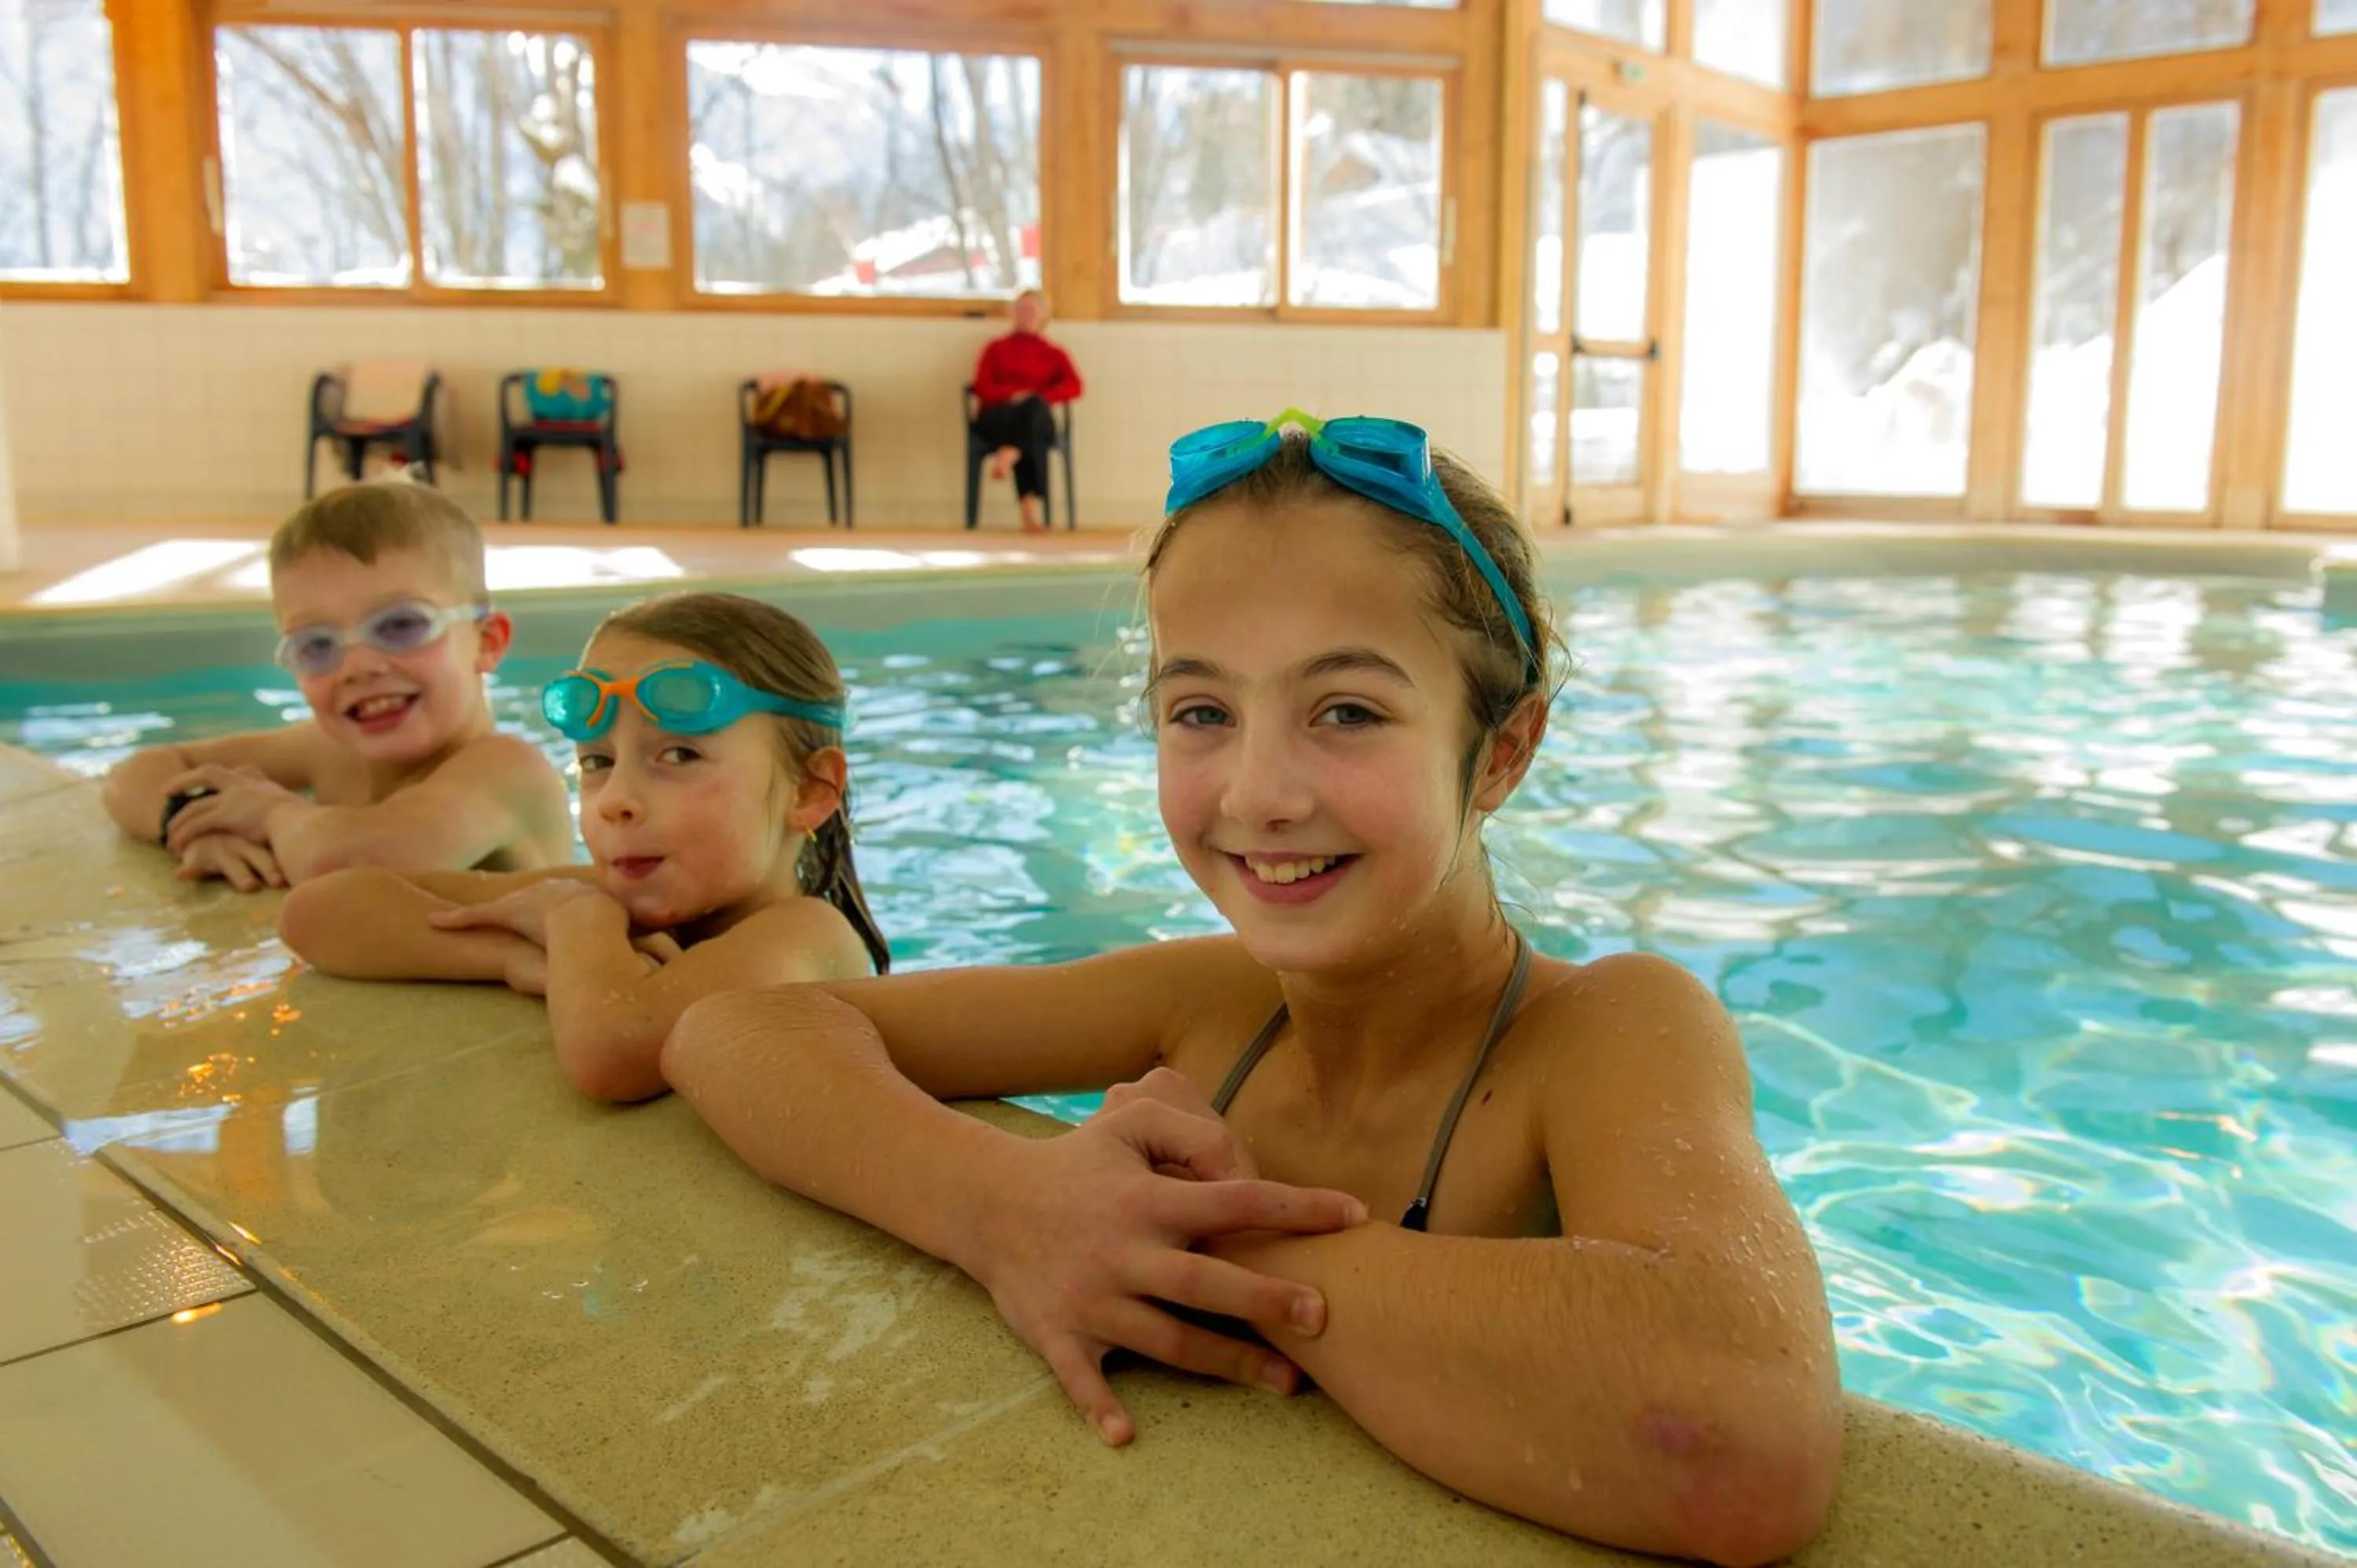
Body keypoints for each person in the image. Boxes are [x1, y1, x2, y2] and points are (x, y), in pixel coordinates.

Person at [660, 413, 1842, 1566]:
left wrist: (1199, 1244)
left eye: (1347, 712)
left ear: (1502, 751)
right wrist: (1009, 1208)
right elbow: (736, 1028)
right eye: (1202, 713)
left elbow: (1742, 1439)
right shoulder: (1212, 1004)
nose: (1258, 792)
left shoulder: (1609, 1030)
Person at [279, 592, 888, 1104]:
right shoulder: (608, 903)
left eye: (679, 755)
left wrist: (576, 924)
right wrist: (515, 956)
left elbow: (615, 1052)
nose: (614, 799)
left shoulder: (809, 935)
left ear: (809, 792)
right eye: (597, 761)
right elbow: (318, 913)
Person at [101, 482, 573, 891]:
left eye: (401, 625)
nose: (358, 666)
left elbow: (361, 862)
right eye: (317, 645)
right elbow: (135, 774)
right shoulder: (327, 749)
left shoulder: (507, 772)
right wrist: (190, 826)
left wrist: (269, 815)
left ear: (486, 643)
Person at [970, 288, 1083, 533]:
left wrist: (1040, 397)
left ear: (1043, 314)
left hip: (1035, 418)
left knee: (1034, 411)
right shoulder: (995, 349)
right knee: (1030, 427)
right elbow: (981, 387)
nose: (1025, 314)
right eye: (1020, 309)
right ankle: (1029, 511)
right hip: (999, 418)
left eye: (1031, 309)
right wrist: (1012, 395)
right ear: (1013, 314)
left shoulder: (1054, 353)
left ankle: (1011, 453)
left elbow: (1075, 386)